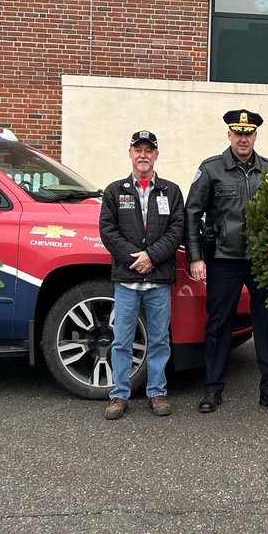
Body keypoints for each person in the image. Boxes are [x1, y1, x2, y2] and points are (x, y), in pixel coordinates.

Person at [185, 109, 268, 414]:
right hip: (224, 260)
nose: (243, 138)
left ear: (255, 136)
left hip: (262, 261)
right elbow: (192, 213)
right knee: (218, 325)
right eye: (238, 132)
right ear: (229, 135)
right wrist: (196, 257)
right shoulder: (211, 170)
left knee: (267, 324)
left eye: (249, 133)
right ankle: (212, 390)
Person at [97, 130, 185, 420]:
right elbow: (108, 231)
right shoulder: (115, 191)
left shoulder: (171, 191)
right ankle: (119, 395)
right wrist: (135, 259)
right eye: (138, 150)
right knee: (121, 340)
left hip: (158, 280)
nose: (143, 155)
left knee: (159, 340)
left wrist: (152, 257)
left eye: (149, 150)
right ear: (130, 153)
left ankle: (157, 393)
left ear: (156, 155)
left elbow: (176, 230)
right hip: (127, 279)